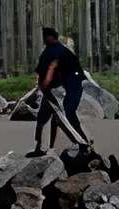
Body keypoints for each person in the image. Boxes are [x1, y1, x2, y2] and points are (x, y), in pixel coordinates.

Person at [31, 25, 91, 153]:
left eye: (45, 37)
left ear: (49, 37)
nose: (43, 39)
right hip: (57, 89)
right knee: (51, 117)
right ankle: (45, 145)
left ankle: (82, 142)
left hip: (62, 88)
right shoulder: (55, 51)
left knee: (64, 115)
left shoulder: (56, 52)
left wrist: (45, 83)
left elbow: (51, 71)